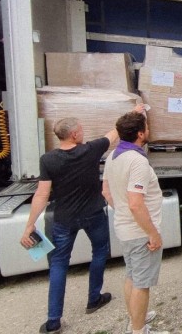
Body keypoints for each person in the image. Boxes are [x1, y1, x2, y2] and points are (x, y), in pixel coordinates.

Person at [20, 105, 143, 334]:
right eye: (81, 130)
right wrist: (135, 112)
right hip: (93, 214)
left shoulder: (48, 159)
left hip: (64, 219)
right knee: (100, 253)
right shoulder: (90, 150)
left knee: (58, 264)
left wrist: (29, 225)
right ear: (74, 134)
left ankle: (53, 321)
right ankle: (94, 298)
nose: (83, 133)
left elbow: (42, 195)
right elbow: (116, 132)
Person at [102, 111, 168, 334]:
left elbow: (106, 192)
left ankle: (135, 317)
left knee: (132, 276)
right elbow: (135, 203)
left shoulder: (113, 156)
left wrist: (122, 211)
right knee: (142, 283)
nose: (149, 130)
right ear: (140, 134)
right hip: (140, 232)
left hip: (125, 228)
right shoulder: (137, 161)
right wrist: (153, 233)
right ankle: (139, 330)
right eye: (146, 127)